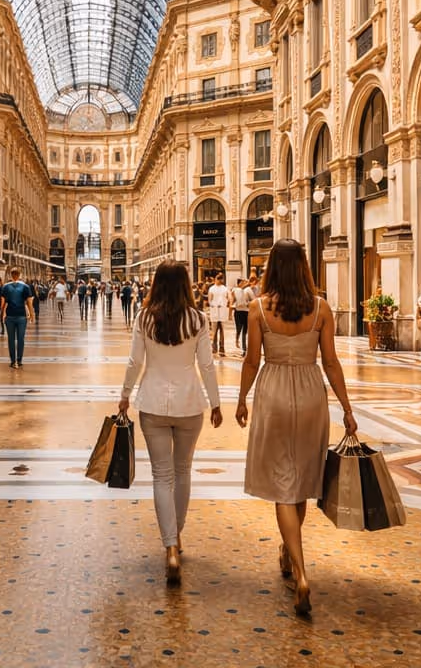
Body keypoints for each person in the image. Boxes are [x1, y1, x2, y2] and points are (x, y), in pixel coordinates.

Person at [236, 238, 358, 617]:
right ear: (304, 266)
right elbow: (332, 362)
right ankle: (290, 554)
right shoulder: (320, 308)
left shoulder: (258, 308)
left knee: (282, 484)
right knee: (301, 478)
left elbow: (252, 361)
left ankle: (300, 572)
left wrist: (241, 398)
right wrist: (347, 409)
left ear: (271, 267)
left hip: (272, 391)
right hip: (309, 392)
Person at [118, 260, 222, 587]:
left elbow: (135, 361)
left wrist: (124, 395)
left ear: (157, 284)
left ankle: (170, 547)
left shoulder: (144, 318)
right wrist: (216, 402)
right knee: (182, 471)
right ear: (186, 284)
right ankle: (176, 536)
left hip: (152, 404)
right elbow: (206, 365)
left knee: (162, 476)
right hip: (190, 404)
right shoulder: (199, 319)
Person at [0, 267, 34, 368]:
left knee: (11, 339)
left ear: (11, 275)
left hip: (10, 316)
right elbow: (29, 302)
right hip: (21, 316)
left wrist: (1, 315)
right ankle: (19, 360)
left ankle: (12, 360)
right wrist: (32, 314)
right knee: (20, 339)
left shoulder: (5, 287)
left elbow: (3, 303)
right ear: (20, 275)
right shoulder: (25, 287)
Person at [207, 274, 230, 355]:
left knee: (222, 331)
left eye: (220, 279)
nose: (219, 281)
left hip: (222, 311)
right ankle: (214, 348)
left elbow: (228, 299)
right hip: (215, 311)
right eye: (218, 279)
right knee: (214, 331)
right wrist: (213, 305)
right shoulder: (212, 288)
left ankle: (222, 348)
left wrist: (224, 305)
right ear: (216, 279)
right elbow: (209, 300)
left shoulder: (225, 289)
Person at [232, 278, 254, 355]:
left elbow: (250, 300)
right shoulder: (235, 290)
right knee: (239, 328)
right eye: (243, 282)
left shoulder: (246, 291)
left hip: (246, 311)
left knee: (245, 330)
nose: (245, 283)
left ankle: (244, 348)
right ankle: (237, 340)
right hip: (238, 311)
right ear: (239, 283)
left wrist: (248, 303)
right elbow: (233, 300)